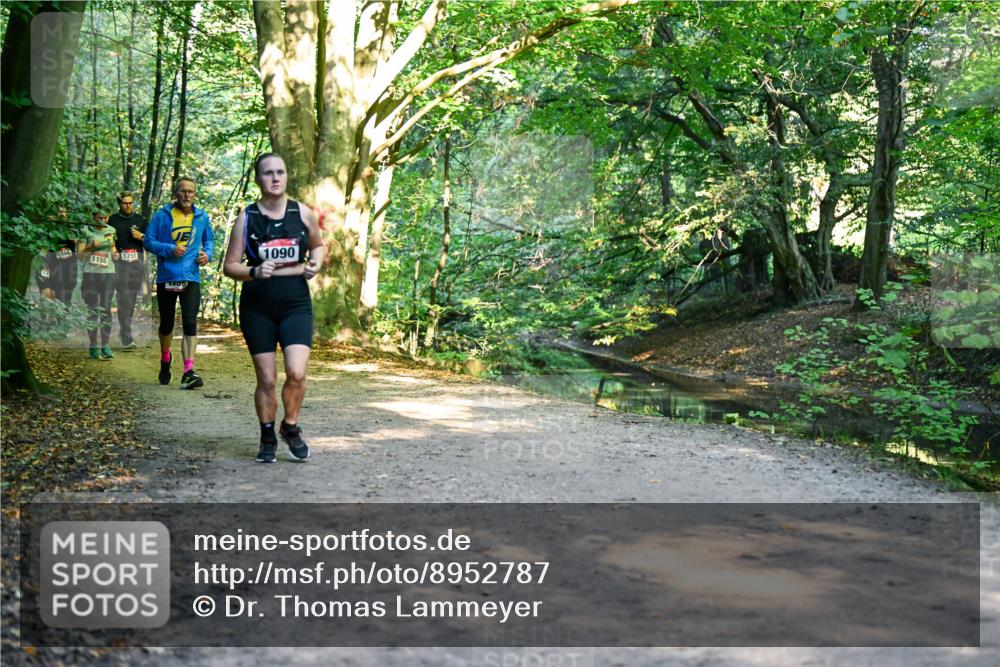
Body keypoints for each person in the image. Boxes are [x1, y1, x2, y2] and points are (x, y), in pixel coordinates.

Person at [223, 153, 324, 463]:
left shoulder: (303, 213)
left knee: (296, 372)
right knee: (266, 379)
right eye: (268, 173)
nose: (276, 178)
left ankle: (289, 427)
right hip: (258, 306)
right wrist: (254, 271)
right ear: (258, 180)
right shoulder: (247, 217)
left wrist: (315, 264)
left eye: (281, 171)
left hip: (295, 303)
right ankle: (267, 433)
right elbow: (229, 266)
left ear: (287, 176)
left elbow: (318, 245)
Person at [144, 177, 213, 389]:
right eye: (182, 191)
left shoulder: (201, 217)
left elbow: (209, 240)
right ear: (176, 193)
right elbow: (148, 241)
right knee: (167, 324)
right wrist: (169, 249)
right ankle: (165, 359)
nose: (186, 195)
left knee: (190, 323)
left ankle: (188, 371)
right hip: (168, 276)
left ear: (195, 194)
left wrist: (207, 255)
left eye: (190, 191)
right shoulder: (162, 215)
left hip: (191, 276)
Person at [108, 191, 148, 349]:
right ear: (120, 203)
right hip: (119, 264)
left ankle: (125, 329)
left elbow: (151, 241)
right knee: (123, 298)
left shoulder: (140, 220)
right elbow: (107, 238)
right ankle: (126, 334)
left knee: (131, 299)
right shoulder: (112, 220)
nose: (128, 205)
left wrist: (141, 236)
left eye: (130, 202)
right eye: (125, 203)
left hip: (136, 264)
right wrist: (113, 250)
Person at [78, 212, 119, 359]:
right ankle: (93, 345)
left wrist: (116, 255)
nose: (103, 221)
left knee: (106, 309)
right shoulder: (85, 230)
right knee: (93, 310)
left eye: (105, 218)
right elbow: (80, 256)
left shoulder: (111, 230)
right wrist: (89, 247)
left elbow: (113, 249)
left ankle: (105, 345)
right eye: (99, 218)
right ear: (93, 217)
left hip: (108, 275)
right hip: (91, 275)